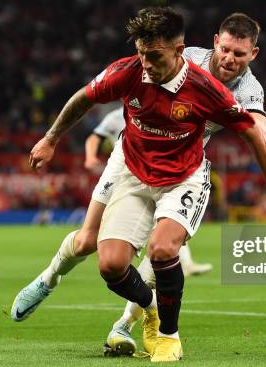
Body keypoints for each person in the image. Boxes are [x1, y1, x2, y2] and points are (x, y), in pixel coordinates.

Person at [15, 7, 266, 362]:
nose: (228, 58)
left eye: (239, 54)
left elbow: (256, 133)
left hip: (182, 167)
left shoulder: (238, 90)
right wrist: (52, 138)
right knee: (93, 246)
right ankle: (49, 279)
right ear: (212, 44)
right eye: (224, 49)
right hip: (131, 154)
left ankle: (140, 326)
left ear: (252, 55)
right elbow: (90, 96)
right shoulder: (163, 60)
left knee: (161, 250)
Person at [85, 107, 214, 276]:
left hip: (157, 172)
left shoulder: (157, 109)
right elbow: (95, 136)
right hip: (124, 172)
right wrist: (90, 157)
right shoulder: (114, 117)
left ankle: (180, 265)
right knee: (99, 235)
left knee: (167, 225)